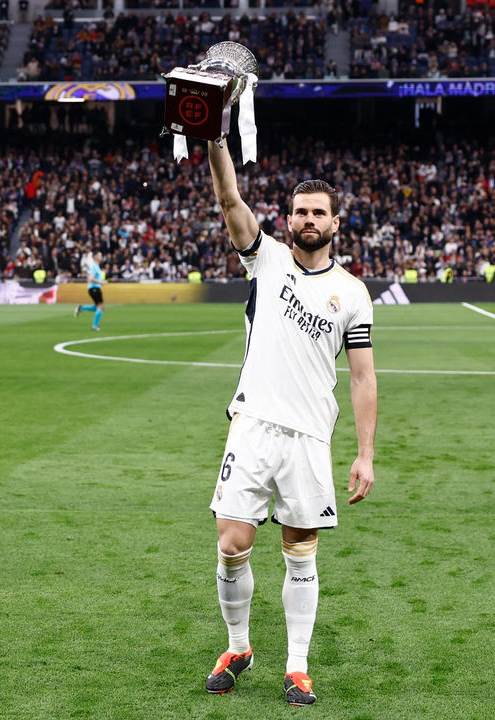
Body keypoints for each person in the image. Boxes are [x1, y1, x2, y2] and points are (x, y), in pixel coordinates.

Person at [204, 138, 377, 708]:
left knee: (300, 549)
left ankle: (297, 667)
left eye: (318, 213)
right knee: (232, 542)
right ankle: (238, 647)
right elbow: (230, 199)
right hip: (251, 423)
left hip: (308, 437)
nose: (308, 220)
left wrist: (365, 452)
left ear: (335, 223)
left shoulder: (352, 294)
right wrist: (214, 138)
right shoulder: (267, 257)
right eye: (300, 212)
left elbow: (360, 378)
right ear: (288, 219)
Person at [73, 251, 105, 331]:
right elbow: (90, 278)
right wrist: (101, 282)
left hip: (95, 288)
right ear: (95, 257)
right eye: (100, 255)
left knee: (97, 307)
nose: (101, 257)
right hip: (94, 288)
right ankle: (94, 326)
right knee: (101, 306)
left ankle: (81, 308)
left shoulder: (96, 266)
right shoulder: (93, 266)